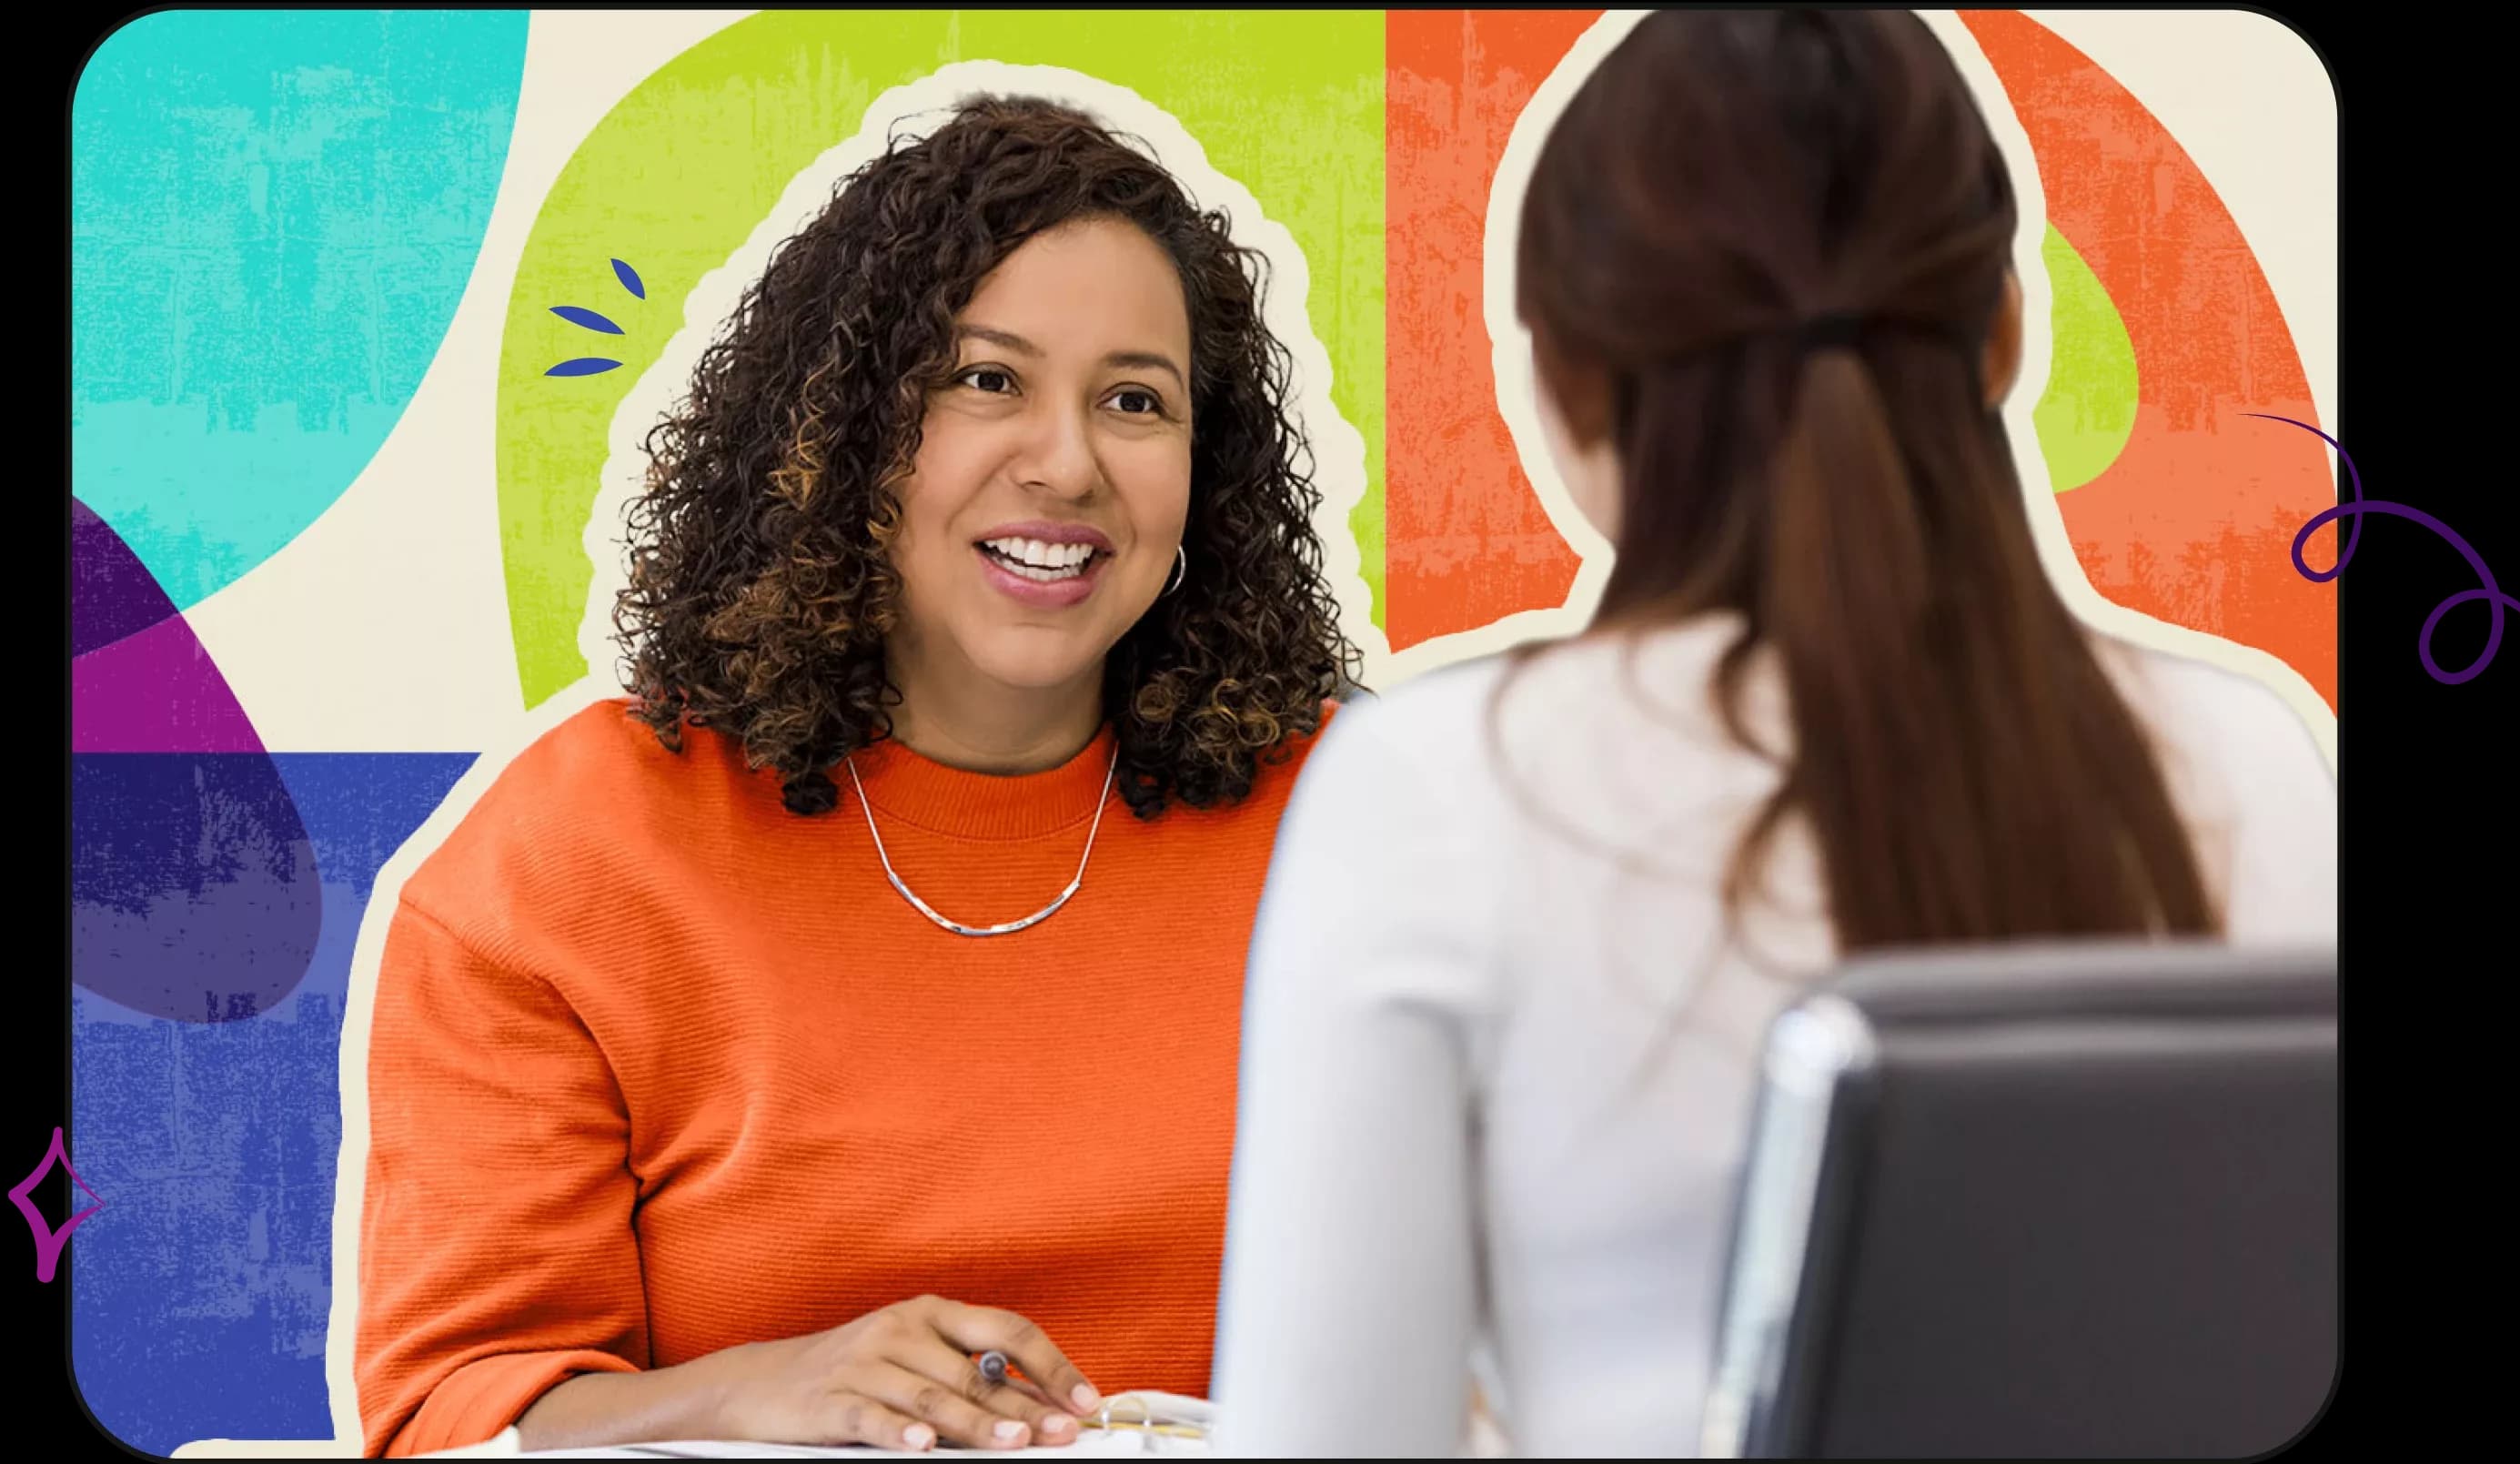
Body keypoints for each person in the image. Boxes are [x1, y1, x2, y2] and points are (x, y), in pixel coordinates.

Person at [1206, 11, 2338, 1457]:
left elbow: (1328, 1439)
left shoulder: (1434, 794)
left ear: (1565, 386)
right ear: (2002, 332)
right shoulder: (2255, 770)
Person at [350, 96, 1358, 1458]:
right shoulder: (572, 858)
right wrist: (754, 1389)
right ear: (838, 432)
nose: (1067, 463)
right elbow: (454, 1415)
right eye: (983, 378)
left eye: (1135, 400)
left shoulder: (1363, 826)